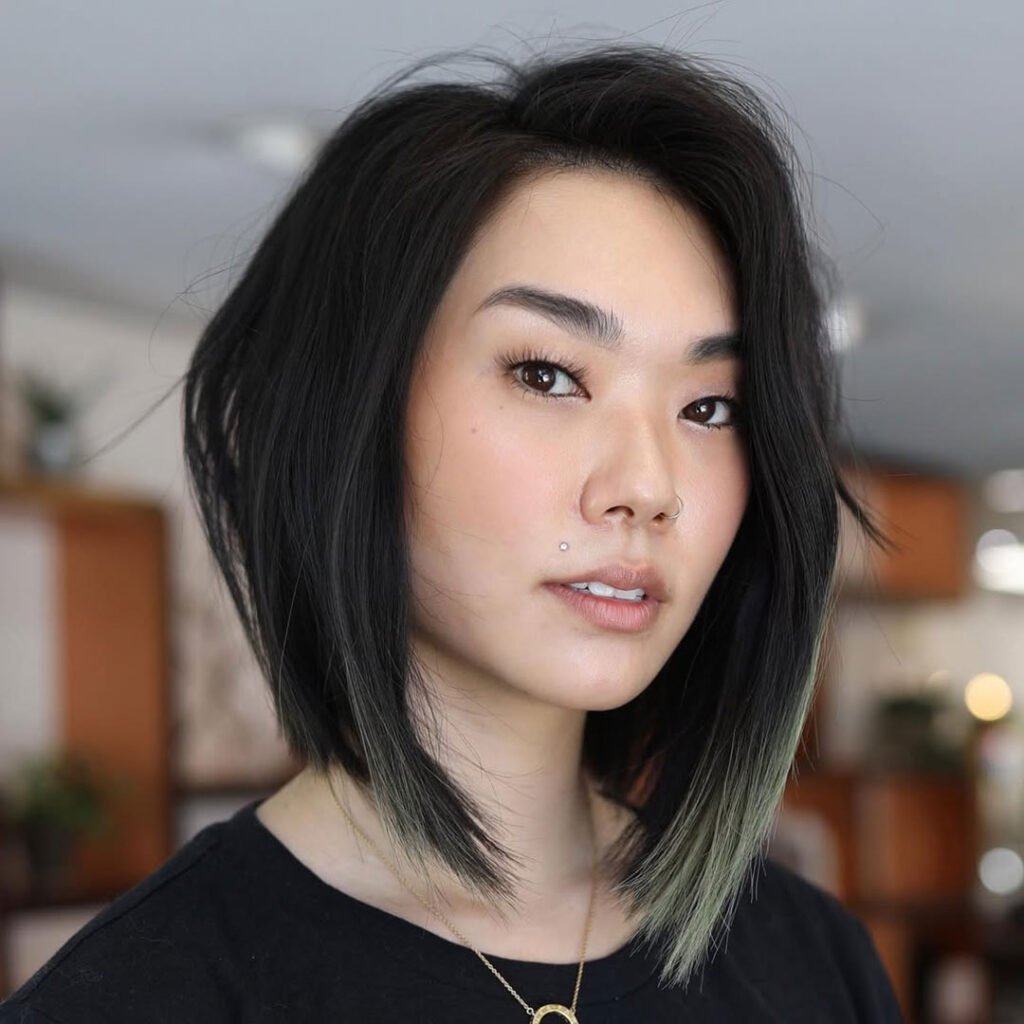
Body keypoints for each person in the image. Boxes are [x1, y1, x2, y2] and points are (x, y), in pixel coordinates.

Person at [1, 41, 902, 1022]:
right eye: (548, 375)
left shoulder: (811, 960)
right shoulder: (140, 995)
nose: (648, 487)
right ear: (352, 413)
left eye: (710, 406)